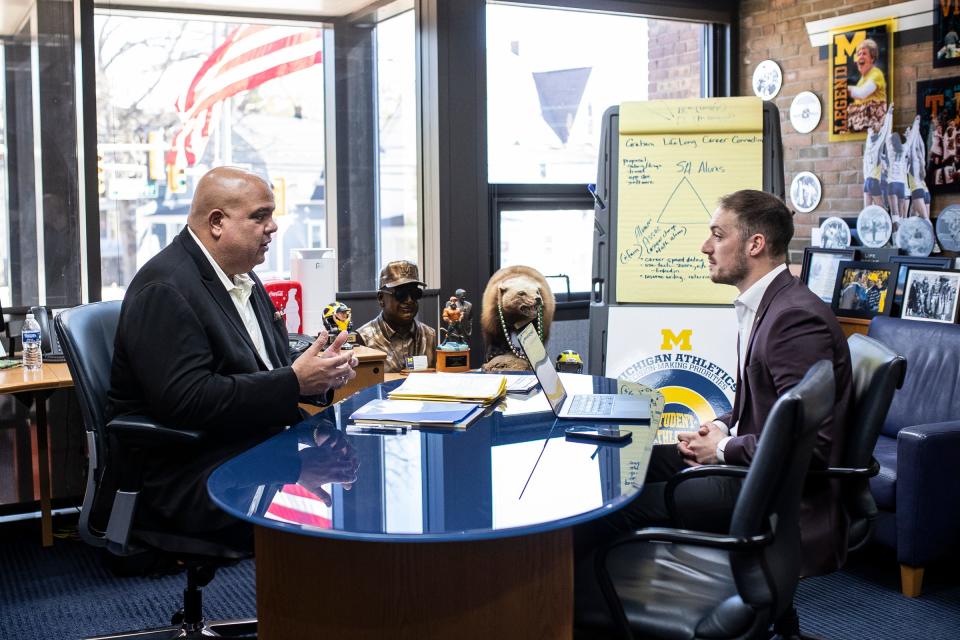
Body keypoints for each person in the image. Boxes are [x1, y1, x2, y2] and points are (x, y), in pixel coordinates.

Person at [577, 190, 853, 579]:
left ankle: (574, 613)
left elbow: (811, 447)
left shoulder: (794, 320)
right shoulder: (768, 303)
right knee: (622, 465)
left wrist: (721, 449)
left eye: (718, 236)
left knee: (612, 507)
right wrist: (721, 426)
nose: (706, 247)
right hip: (752, 466)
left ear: (755, 244)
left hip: (769, 492)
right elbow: (762, 406)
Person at [107, 166, 359, 553]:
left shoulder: (241, 276)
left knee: (356, 484)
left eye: (272, 215)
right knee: (333, 540)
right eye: (260, 216)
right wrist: (295, 384)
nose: (273, 227)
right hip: (193, 472)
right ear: (217, 223)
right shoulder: (166, 289)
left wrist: (320, 376)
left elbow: (267, 368)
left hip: (248, 447)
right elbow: (186, 401)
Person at [356, 260, 437, 372]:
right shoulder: (363, 339)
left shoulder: (429, 336)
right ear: (381, 298)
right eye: (401, 294)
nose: (409, 300)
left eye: (415, 294)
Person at [848, 38, 887, 133]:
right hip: (864, 124)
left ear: (872, 58)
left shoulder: (876, 74)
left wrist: (843, 88)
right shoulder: (861, 80)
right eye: (859, 54)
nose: (860, 56)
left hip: (876, 125)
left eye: (864, 54)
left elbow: (862, 93)